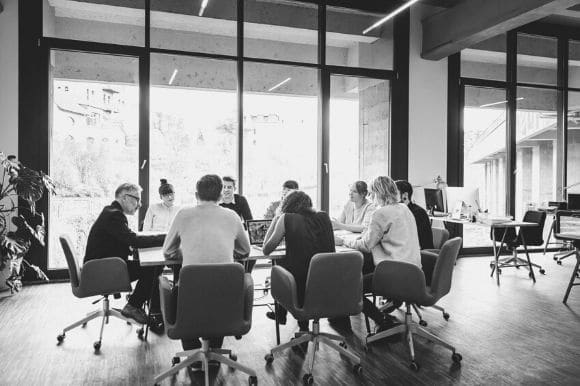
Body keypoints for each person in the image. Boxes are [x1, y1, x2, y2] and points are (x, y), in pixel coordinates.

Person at [163, 174, 251, 356]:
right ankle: (214, 353)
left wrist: (184, 250)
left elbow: (167, 251)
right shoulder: (232, 216)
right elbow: (245, 250)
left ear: (196, 195)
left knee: (180, 288)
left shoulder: (183, 214)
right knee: (220, 295)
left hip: (190, 295)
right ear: (220, 196)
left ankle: (194, 354)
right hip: (227, 297)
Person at [335, 176, 421, 333]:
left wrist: (343, 242)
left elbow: (367, 245)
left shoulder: (380, 213)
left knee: (351, 286)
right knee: (363, 271)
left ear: (378, 193)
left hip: (395, 272)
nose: (371, 198)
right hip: (414, 271)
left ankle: (382, 320)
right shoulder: (404, 208)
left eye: (372, 194)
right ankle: (384, 312)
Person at [84, 183, 164, 328]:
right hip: (101, 270)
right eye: (137, 200)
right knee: (154, 267)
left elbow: (127, 238)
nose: (139, 204)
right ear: (125, 197)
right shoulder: (114, 215)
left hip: (103, 266)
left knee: (151, 266)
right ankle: (133, 305)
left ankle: (136, 303)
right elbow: (133, 240)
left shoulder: (111, 212)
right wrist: (164, 237)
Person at [262, 190, 335, 332]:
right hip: (326, 283)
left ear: (286, 205)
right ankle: (301, 329)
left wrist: (276, 218)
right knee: (300, 267)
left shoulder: (286, 218)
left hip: (298, 286)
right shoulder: (324, 217)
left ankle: (294, 323)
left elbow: (266, 249)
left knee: (281, 265)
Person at [395, 180, 434, 250]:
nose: (391, 197)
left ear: (405, 195)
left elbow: (408, 238)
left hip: (420, 254)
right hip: (408, 251)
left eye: (394, 194)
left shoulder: (418, 213)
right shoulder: (401, 210)